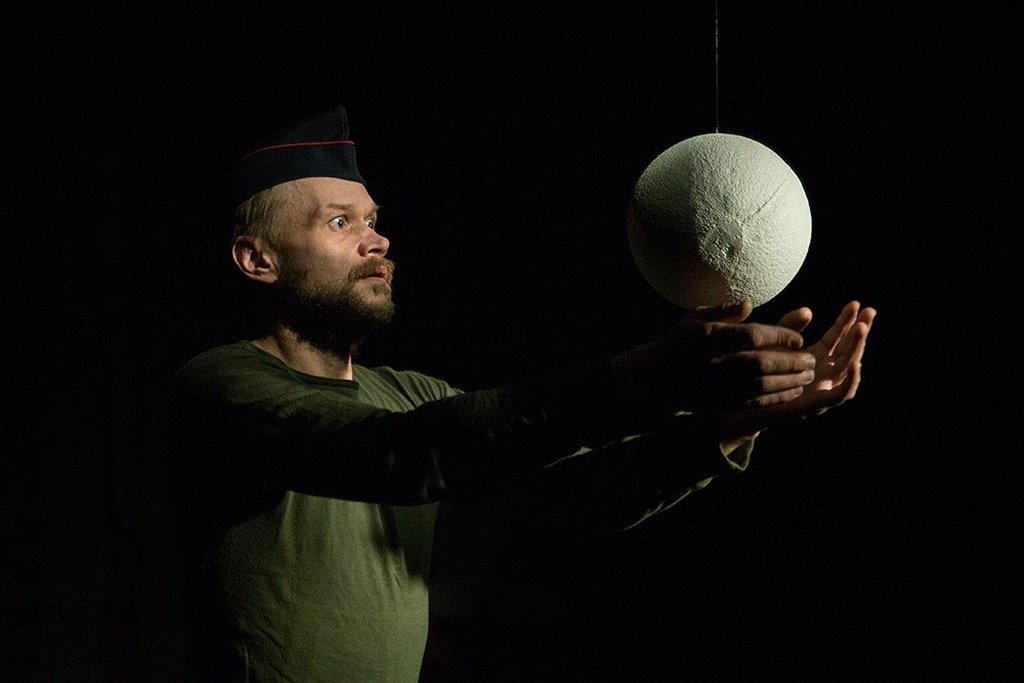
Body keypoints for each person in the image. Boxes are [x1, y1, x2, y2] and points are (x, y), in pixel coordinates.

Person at [168, 104, 875, 681]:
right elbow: (397, 455)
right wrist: (642, 373)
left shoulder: (407, 393)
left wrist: (732, 424)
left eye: (373, 221)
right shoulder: (221, 385)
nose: (376, 242)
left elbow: (579, 490)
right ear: (257, 259)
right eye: (339, 222)